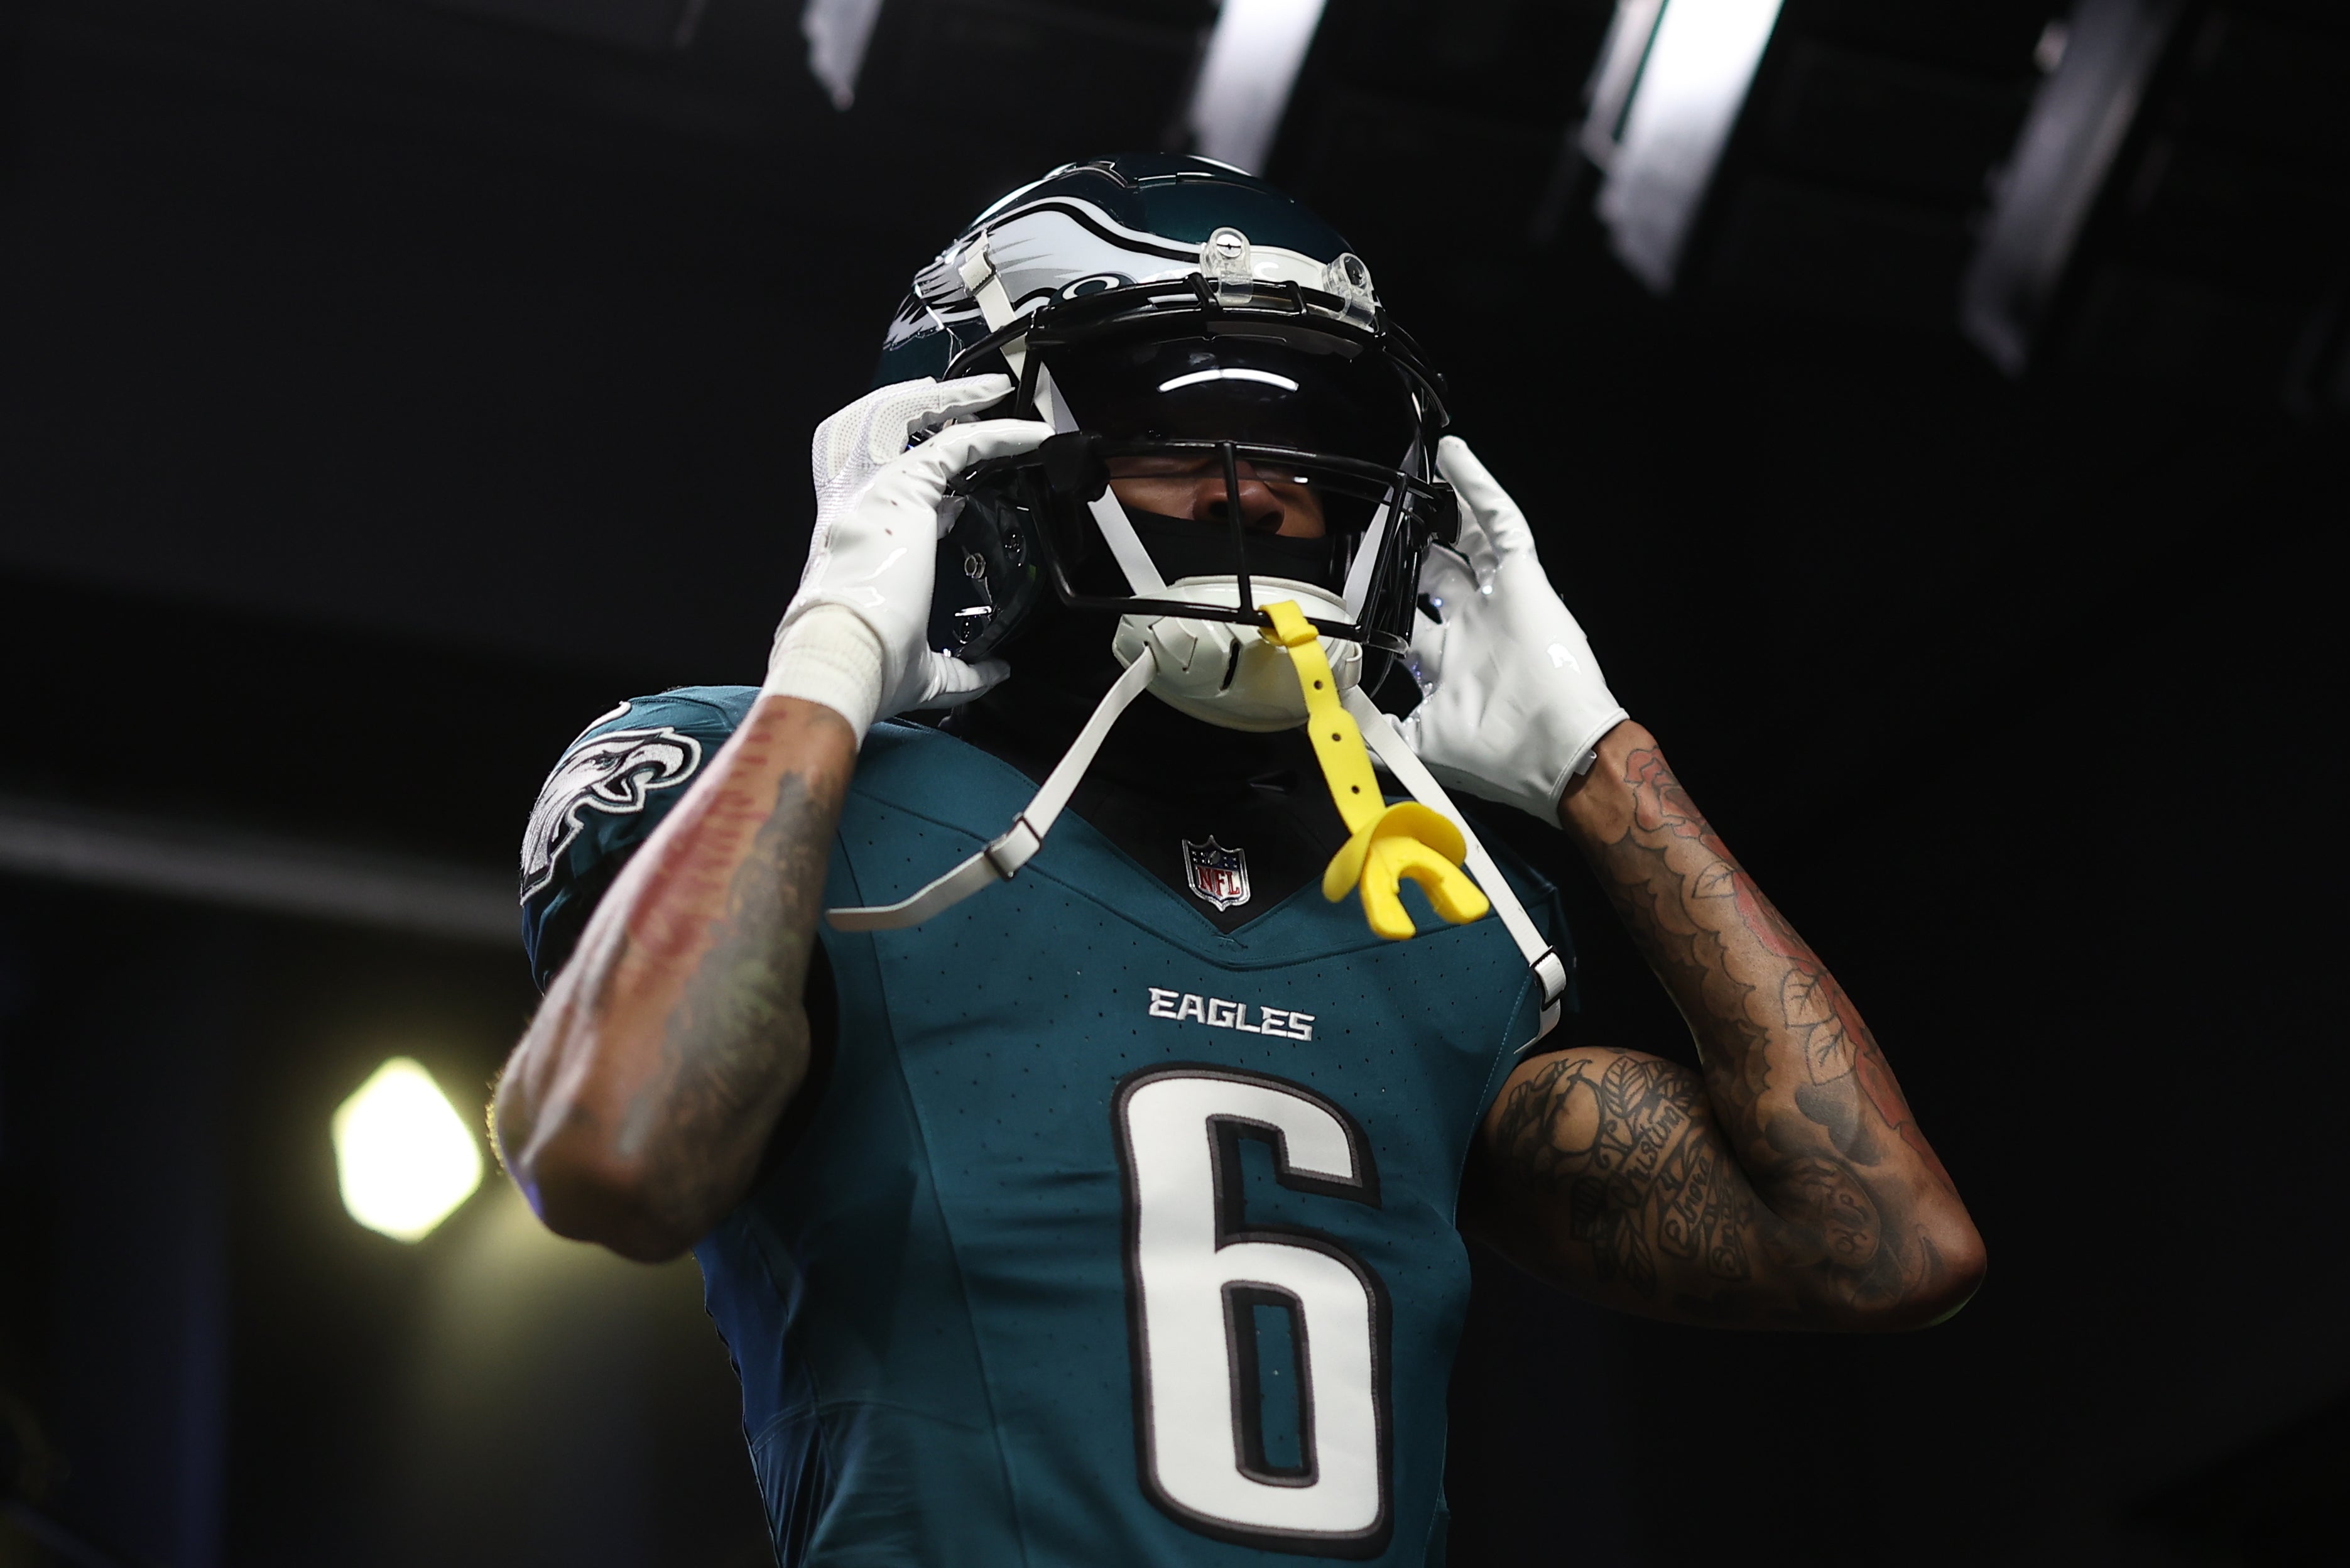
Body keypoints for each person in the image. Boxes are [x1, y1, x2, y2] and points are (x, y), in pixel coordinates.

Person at [492, 155, 1984, 1566]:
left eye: (1304, 448)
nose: (1253, 490)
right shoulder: (756, 790)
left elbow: (1881, 1245)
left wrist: (1605, 766)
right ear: (965, 460)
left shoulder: (1431, 898)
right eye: (1167, 427)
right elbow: (614, 1155)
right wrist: (824, 671)